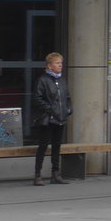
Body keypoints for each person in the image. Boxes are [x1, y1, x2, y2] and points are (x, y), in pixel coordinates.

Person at [33, 51, 72, 186]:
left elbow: (67, 97)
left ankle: (56, 173)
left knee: (57, 146)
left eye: (61, 63)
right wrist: (51, 110)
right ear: (49, 66)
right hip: (48, 119)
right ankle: (37, 175)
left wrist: (68, 109)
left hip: (60, 118)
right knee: (43, 146)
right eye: (57, 63)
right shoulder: (43, 80)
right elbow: (38, 99)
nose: (60, 65)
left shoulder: (61, 80)